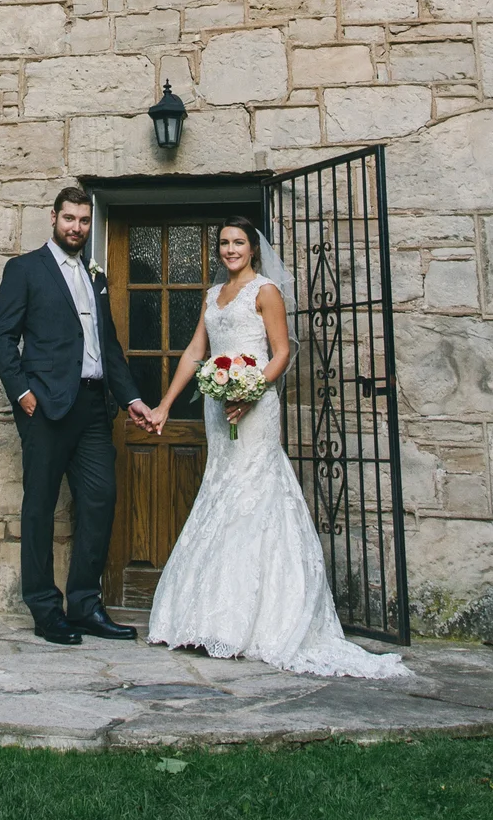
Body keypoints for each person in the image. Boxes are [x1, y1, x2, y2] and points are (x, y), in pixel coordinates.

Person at [141, 216, 409, 679]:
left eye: (238, 242)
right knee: (221, 492)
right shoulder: (212, 296)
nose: (230, 250)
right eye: (223, 243)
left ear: (253, 248)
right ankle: (209, 617)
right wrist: (165, 404)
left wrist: (248, 393)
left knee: (254, 494)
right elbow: (193, 353)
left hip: (255, 403)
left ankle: (256, 620)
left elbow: (282, 352)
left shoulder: (265, 291)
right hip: (217, 407)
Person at [0, 184, 157, 644]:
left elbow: (110, 349)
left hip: (93, 408)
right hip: (46, 408)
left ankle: (85, 605)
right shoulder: (25, 269)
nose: (77, 228)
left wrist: (133, 400)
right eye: (70, 219)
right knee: (40, 507)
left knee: (100, 501)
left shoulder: (95, 276)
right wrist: (23, 393)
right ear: (54, 218)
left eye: (84, 221)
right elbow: (3, 337)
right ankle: (46, 609)